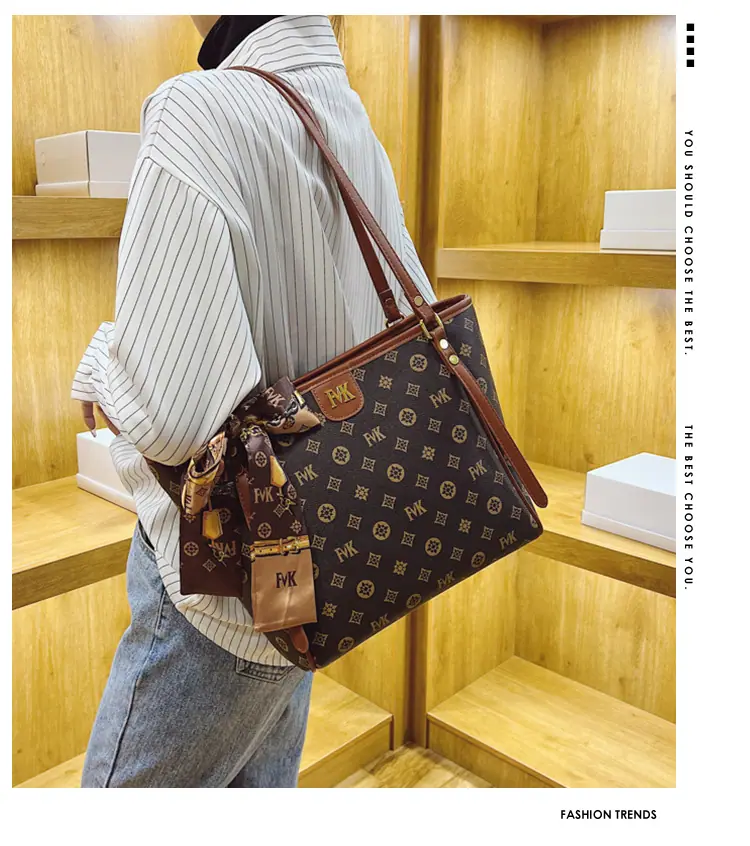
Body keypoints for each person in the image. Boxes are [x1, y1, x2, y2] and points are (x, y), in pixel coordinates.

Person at [72, 14, 436, 788]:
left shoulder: (194, 109)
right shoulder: (346, 114)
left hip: (222, 589)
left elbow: (173, 420)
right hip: (322, 569)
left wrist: (102, 360)